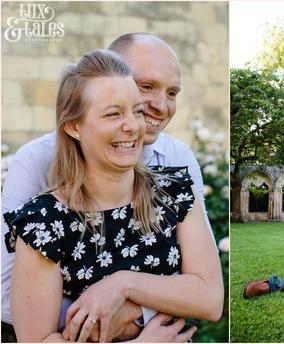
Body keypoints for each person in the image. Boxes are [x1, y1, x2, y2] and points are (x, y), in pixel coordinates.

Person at [1, 33, 217, 339]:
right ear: (74, 126)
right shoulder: (45, 220)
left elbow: (209, 298)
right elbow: (32, 331)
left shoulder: (176, 190)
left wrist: (123, 285)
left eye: (136, 110)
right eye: (113, 113)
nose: (133, 125)